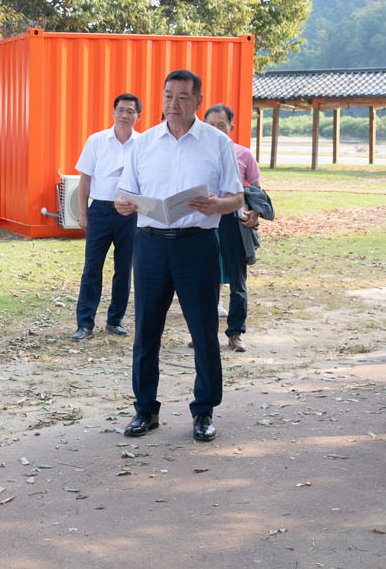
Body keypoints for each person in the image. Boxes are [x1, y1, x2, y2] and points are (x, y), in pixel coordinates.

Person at [114, 69, 244, 443]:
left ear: (197, 101)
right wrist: (123, 204)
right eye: (168, 96)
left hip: (197, 245)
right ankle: (145, 409)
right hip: (150, 244)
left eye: (182, 97)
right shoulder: (144, 143)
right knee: (146, 330)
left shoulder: (217, 143)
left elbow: (237, 196)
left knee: (203, 331)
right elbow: (125, 192)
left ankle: (204, 411)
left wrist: (217, 204)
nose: (173, 104)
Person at [71, 93, 141, 340]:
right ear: (113, 113)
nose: (124, 115)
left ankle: (115, 320)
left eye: (130, 111)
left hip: (130, 214)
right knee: (92, 268)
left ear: (138, 116)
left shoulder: (143, 144)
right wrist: (83, 213)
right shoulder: (97, 141)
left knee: (124, 269)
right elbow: (85, 179)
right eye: (120, 110)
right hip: (100, 211)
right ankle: (85, 323)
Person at [202, 103, 260, 351]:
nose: (216, 130)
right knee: (204, 280)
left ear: (231, 128)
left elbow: (256, 188)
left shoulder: (243, 154)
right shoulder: (196, 154)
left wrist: (255, 212)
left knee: (237, 281)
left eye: (221, 125)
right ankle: (203, 333)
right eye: (211, 125)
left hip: (233, 222)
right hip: (203, 222)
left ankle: (235, 333)